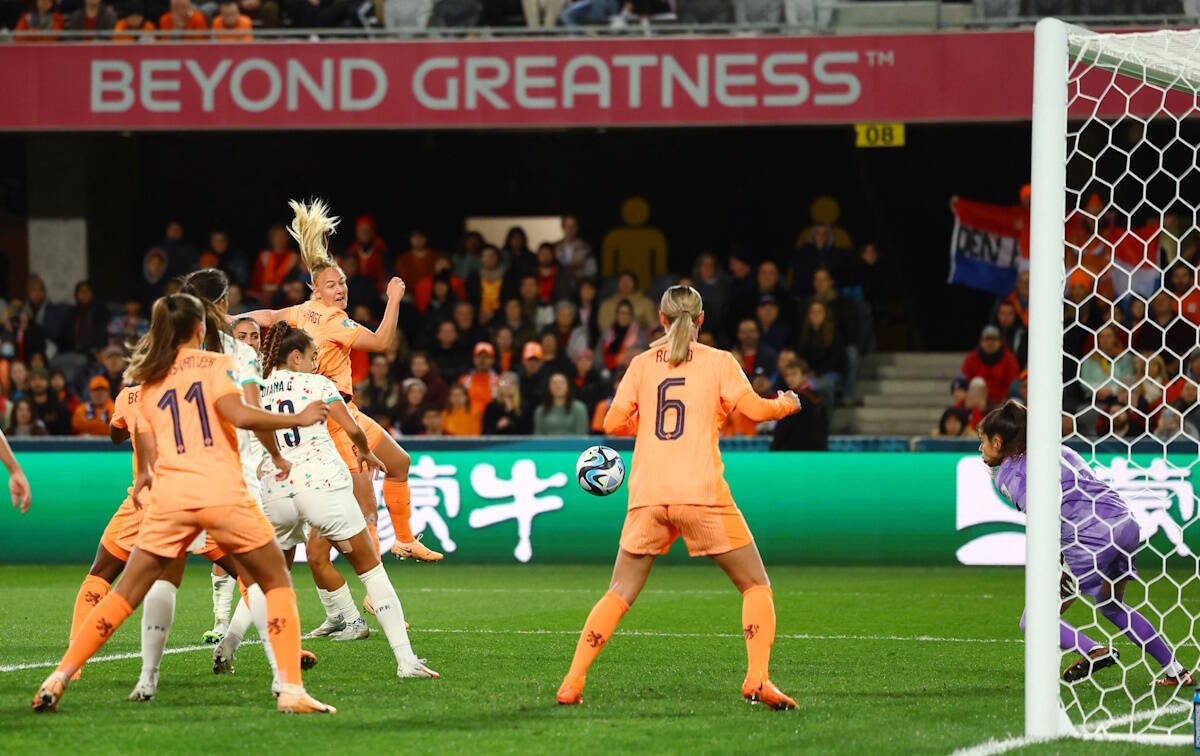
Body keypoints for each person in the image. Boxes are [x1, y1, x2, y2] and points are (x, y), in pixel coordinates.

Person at [35, 293, 333, 715]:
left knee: (124, 594)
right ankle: (289, 688)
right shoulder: (218, 366)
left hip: (170, 499)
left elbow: (144, 441)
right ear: (200, 329)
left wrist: (141, 480)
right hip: (221, 493)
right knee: (274, 579)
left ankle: (60, 674)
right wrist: (296, 419)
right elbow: (243, 415)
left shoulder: (148, 384)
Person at [557, 284, 801, 709]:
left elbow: (612, 423)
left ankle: (572, 683)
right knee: (755, 585)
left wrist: (646, 423)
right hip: (700, 492)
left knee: (618, 591)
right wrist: (787, 405)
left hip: (648, 495)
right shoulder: (719, 362)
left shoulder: (640, 364)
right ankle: (757, 679)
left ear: (662, 320)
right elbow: (758, 411)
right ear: (701, 320)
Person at [223, 322, 437, 679]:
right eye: (312, 356)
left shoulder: (254, 390)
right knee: (371, 570)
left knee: (269, 576)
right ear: (296, 356)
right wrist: (366, 452)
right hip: (320, 484)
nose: (316, 363)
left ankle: (230, 643)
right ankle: (406, 660)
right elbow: (352, 428)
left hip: (275, 489)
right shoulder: (319, 384)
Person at [244, 199, 442, 565]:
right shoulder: (336, 320)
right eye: (332, 285)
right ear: (316, 290)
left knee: (398, 463)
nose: (341, 290)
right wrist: (394, 299)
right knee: (365, 505)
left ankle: (402, 540)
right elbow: (382, 342)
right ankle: (374, 585)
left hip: (341, 410)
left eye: (344, 283)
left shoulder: (300, 312)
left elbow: (267, 315)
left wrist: (228, 318)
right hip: (336, 419)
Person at [979, 400, 1194, 688]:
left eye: (982, 442)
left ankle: (1093, 650)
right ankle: (1175, 670)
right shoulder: (1059, 450)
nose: (980, 448)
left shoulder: (1009, 473)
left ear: (998, 441)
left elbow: (1043, 516)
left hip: (1090, 537)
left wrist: (1054, 558)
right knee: (1111, 605)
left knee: (1033, 620)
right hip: (1125, 524)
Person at [961, 325, 1021, 406]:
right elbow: (965, 381)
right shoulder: (971, 359)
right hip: (977, 403)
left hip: (1003, 403)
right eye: (987, 340)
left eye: (994, 340)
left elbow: (1012, 384)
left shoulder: (1010, 359)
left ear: (1000, 342)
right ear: (981, 342)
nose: (990, 343)